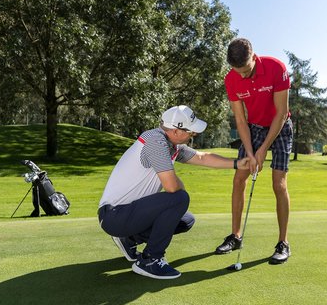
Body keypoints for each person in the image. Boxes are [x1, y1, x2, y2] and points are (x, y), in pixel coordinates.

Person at [99, 105, 249, 279]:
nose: (193, 135)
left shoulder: (171, 145)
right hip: (114, 216)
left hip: (128, 213)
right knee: (178, 198)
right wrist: (180, 194)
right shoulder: (155, 141)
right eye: (190, 131)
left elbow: (202, 157)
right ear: (177, 131)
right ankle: (150, 260)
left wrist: (238, 163)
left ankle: (130, 238)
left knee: (185, 220)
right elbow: (171, 187)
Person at [214, 37, 293, 264]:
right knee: (239, 178)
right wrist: (250, 152)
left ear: (253, 56)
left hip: (280, 127)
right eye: (237, 71)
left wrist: (263, 150)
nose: (242, 75)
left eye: (246, 70)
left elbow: (280, 113)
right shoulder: (231, 79)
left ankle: (283, 243)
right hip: (254, 128)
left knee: (279, 183)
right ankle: (235, 236)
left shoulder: (276, 68)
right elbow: (240, 120)